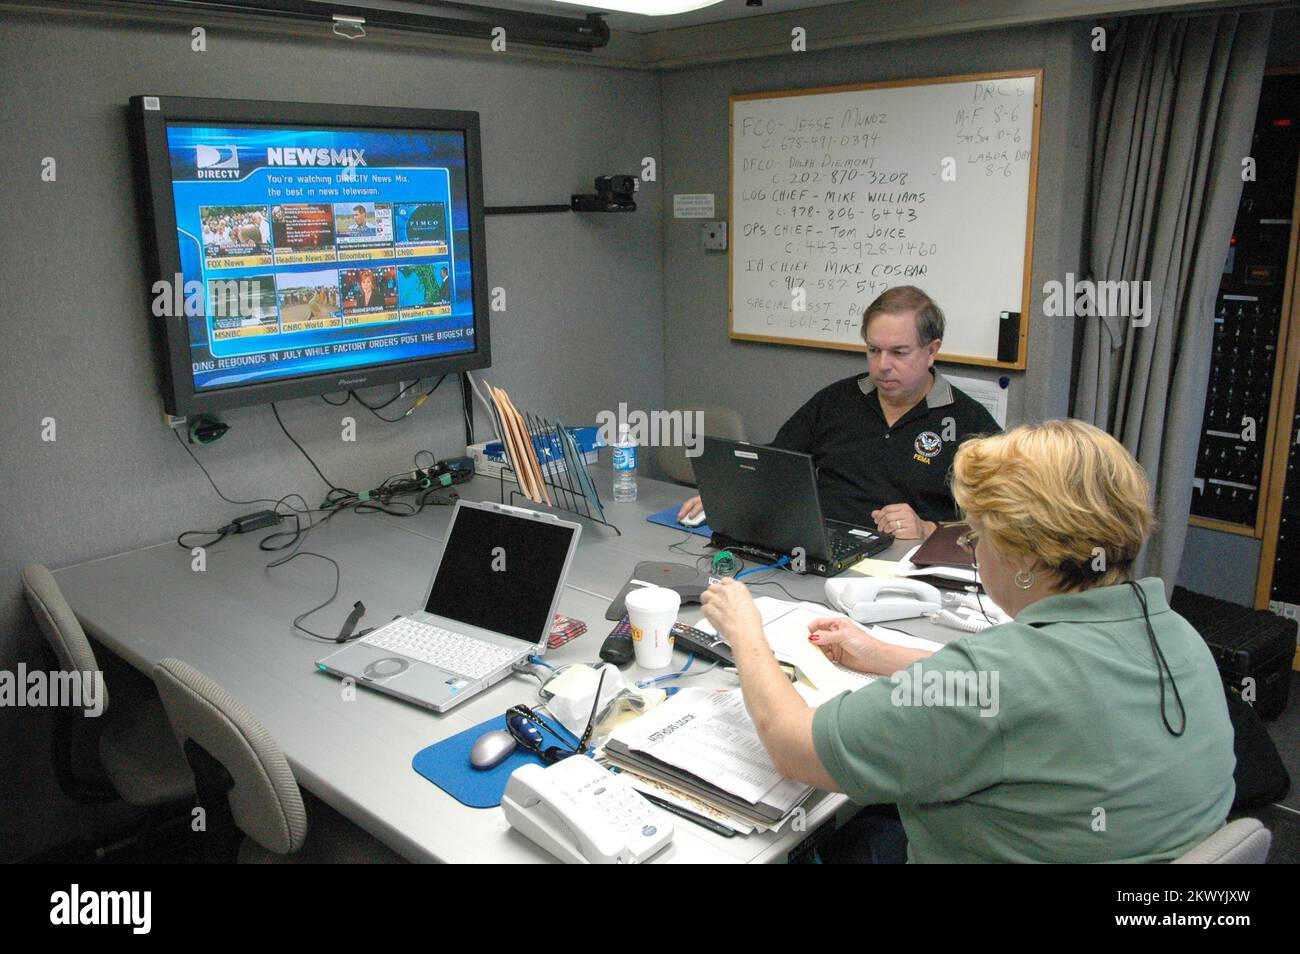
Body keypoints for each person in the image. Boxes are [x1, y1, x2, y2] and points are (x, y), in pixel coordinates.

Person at [700, 419, 1236, 863]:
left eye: (978, 535)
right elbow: (1050, 690)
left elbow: (795, 748)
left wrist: (747, 634)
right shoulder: (1176, 632)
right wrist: (883, 655)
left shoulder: (996, 678)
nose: (974, 551)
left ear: (1025, 556)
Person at [678, 286, 999, 539]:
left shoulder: (969, 423)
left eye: (899, 352)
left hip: (907, 561)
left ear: (932, 351)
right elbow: (775, 463)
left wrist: (929, 529)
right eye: (873, 350)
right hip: (824, 544)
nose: (883, 365)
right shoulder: (837, 401)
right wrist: (730, 496)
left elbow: (1001, 522)